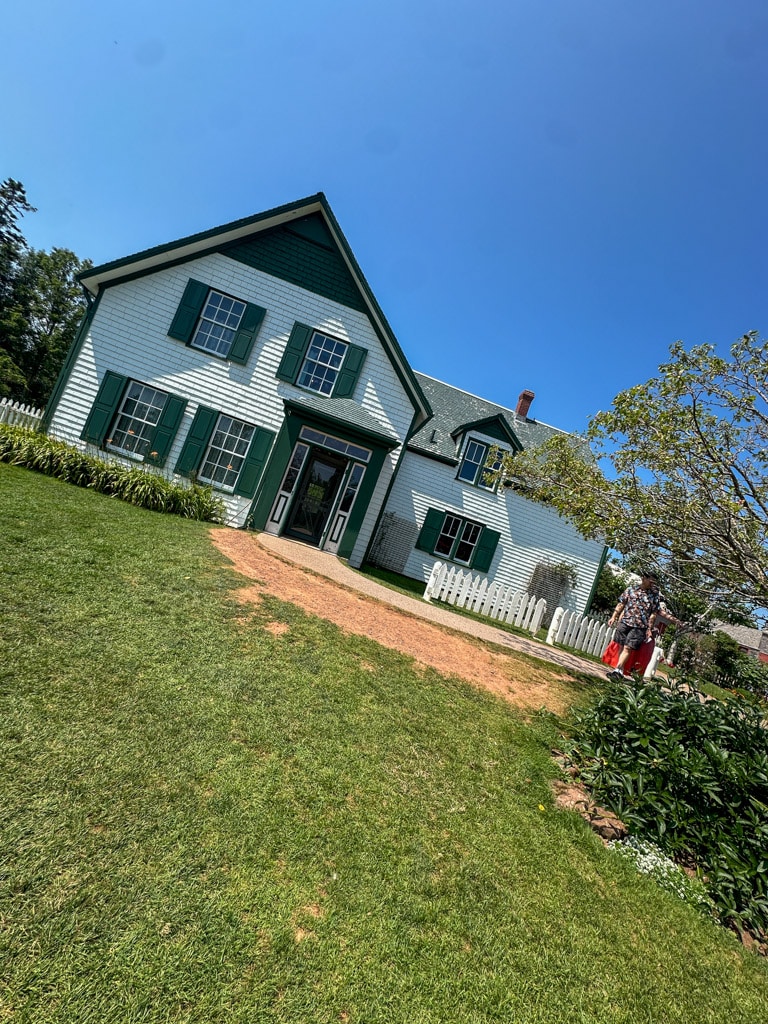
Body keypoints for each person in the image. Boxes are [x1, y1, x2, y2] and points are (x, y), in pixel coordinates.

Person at [605, 572, 662, 680]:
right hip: (625, 622)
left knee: (628, 647)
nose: (652, 584)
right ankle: (620, 671)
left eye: (654, 582)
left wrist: (649, 628)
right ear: (644, 578)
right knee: (621, 646)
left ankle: (617, 669)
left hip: (640, 626)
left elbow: (654, 613)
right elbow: (621, 603)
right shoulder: (630, 590)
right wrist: (613, 617)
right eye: (651, 581)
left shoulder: (654, 596)